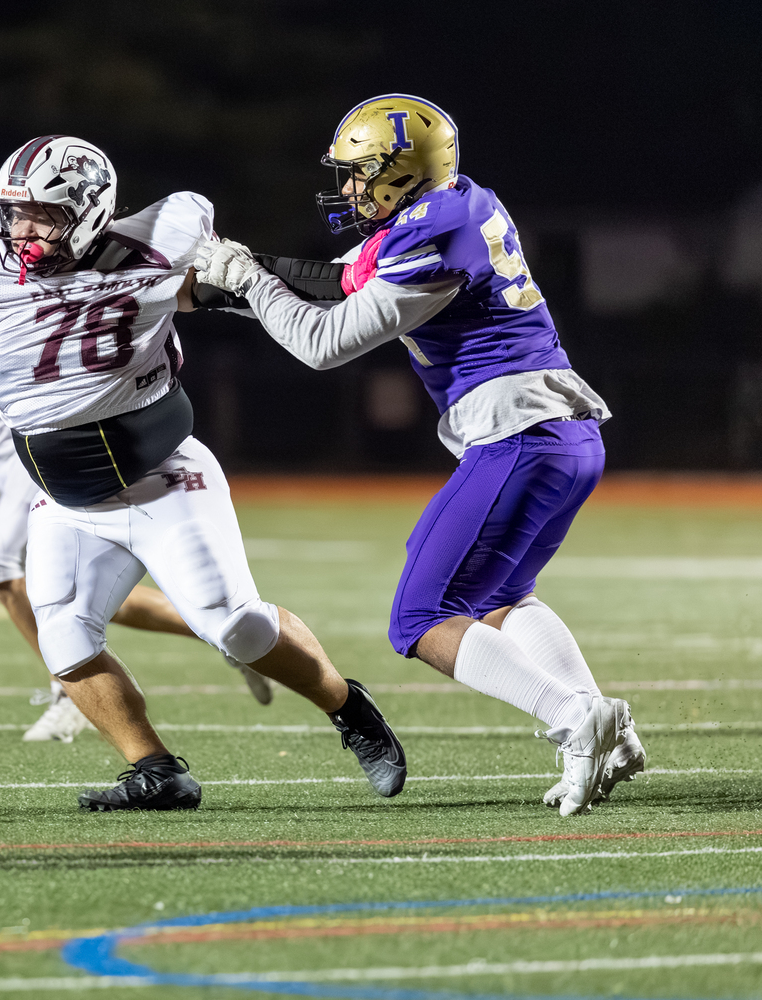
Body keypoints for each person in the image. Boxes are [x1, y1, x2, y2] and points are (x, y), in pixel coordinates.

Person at [0, 136, 406, 810]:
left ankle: (348, 706)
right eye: (14, 214)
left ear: (91, 213)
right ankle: (155, 769)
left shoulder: (156, 254)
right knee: (63, 637)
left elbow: (266, 279)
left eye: (44, 216)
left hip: (164, 480)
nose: (23, 232)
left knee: (236, 626)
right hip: (66, 500)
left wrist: (359, 280)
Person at [193, 95, 640, 816]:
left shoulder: (429, 237)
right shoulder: (455, 203)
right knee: (496, 599)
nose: (347, 189)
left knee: (420, 618)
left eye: (359, 173)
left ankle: (572, 717)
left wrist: (244, 278)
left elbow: (324, 342)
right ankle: (602, 728)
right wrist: (228, 286)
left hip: (520, 434)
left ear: (401, 172)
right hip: (562, 435)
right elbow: (337, 279)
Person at [0, 177, 275, 742]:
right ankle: (218, 633)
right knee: (84, 601)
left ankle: (68, 689)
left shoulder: (9, 291)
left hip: (48, 446)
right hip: (6, 458)